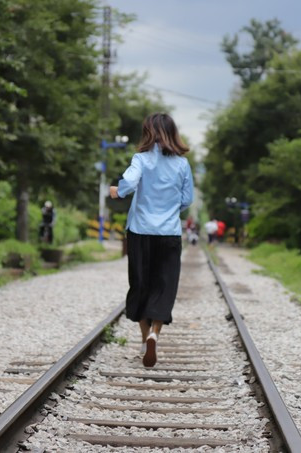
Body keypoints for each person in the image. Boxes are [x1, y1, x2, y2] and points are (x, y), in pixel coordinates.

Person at [109, 113, 194, 368]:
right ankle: (156, 332)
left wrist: (117, 191)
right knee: (164, 285)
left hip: (140, 232)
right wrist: (168, 210)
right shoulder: (182, 164)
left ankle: (146, 339)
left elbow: (130, 182)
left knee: (140, 285)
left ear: (148, 133)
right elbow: (187, 200)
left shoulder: (141, 159)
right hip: (169, 233)